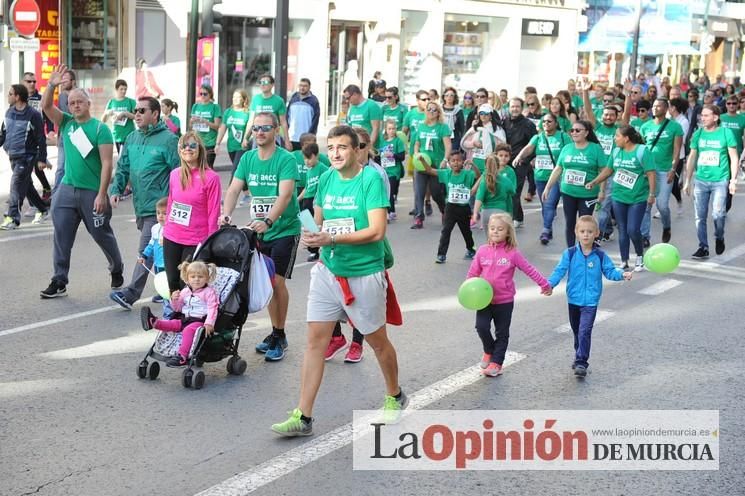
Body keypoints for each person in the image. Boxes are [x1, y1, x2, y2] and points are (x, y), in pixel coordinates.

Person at [270, 125, 407, 437]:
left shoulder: (370, 179)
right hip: (328, 270)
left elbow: (376, 231)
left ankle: (394, 395)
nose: (335, 153)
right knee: (315, 342)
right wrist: (311, 233)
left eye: (342, 147)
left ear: (357, 149)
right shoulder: (328, 177)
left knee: (377, 342)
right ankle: (303, 416)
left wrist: (331, 238)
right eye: (330, 147)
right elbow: (318, 220)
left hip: (364, 272)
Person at [39, 64, 124, 298]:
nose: (75, 105)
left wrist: (101, 194)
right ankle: (59, 279)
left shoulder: (100, 130)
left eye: (79, 102)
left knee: (101, 234)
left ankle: (116, 268)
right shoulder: (66, 123)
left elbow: (108, 163)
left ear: (88, 104)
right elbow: (46, 106)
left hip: (92, 192)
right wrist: (51, 85)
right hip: (67, 189)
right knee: (61, 236)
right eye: (72, 103)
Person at [222, 112, 301, 362]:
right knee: (266, 283)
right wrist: (226, 214)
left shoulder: (285, 159)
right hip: (259, 229)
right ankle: (276, 332)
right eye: (256, 128)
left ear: (276, 131)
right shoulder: (247, 158)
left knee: (277, 283)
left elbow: (285, 196)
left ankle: (279, 334)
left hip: (284, 229)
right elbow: (235, 188)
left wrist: (268, 221)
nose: (259, 132)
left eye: (265, 128)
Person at [109, 97, 180, 309]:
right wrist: (116, 190)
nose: (137, 114)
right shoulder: (131, 137)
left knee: (146, 248)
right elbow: (122, 167)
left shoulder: (169, 139)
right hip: (140, 205)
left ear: (155, 114)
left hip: (160, 208)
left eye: (142, 110)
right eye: (135, 110)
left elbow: (178, 173)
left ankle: (130, 294)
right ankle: (171, 287)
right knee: (162, 251)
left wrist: (174, 203)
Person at [467, 212, 552, 376]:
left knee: (502, 333)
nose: (495, 232)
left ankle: (497, 363)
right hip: (484, 301)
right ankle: (489, 350)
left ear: (507, 232)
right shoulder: (482, 251)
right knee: (481, 327)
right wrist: (468, 291)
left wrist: (544, 284)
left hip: (504, 301)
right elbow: (472, 274)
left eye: (500, 229)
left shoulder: (512, 253)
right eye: (492, 228)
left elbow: (529, 269)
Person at [547, 215, 632, 377]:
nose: (586, 235)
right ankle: (578, 351)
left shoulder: (600, 255)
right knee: (577, 330)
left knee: (585, 330)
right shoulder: (570, 254)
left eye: (589, 232)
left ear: (597, 233)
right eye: (582, 231)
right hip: (573, 299)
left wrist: (622, 274)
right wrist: (549, 284)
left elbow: (610, 271)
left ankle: (581, 362)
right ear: (576, 233)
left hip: (591, 301)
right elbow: (559, 270)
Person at [588, 125, 656, 271]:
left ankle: (639, 257)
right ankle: (624, 260)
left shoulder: (642, 151)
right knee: (623, 230)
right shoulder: (616, 151)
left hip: (638, 197)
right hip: (619, 196)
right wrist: (595, 181)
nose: (614, 138)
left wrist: (651, 194)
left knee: (633, 229)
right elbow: (608, 170)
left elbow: (651, 173)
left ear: (626, 138)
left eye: (617, 136)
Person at [162, 131, 222, 293]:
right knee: (173, 283)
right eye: (183, 145)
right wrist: (164, 229)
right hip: (172, 236)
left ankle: (190, 318)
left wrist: (209, 243)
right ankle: (175, 316)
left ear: (200, 149)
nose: (187, 149)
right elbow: (170, 203)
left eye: (192, 145)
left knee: (188, 287)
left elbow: (213, 212)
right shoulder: (175, 174)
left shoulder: (211, 178)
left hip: (196, 240)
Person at [684, 104, 739, 259]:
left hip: (720, 180)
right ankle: (703, 247)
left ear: (715, 117)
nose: (702, 118)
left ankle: (719, 236)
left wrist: (733, 180)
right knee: (700, 216)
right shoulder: (698, 134)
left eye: (706, 115)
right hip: (701, 181)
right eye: (702, 115)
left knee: (718, 214)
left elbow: (733, 158)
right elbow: (692, 157)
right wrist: (688, 180)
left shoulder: (726, 133)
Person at [140, 260, 219, 368]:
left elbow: (212, 308)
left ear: (207, 278)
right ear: (187, 278)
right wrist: (175, 299)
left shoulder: (209, 292)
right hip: (184, 318)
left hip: (199, 321)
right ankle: (153, 322)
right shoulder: (185, 291)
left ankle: (182, 356)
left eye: (200, 277)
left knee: (188, 330)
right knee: (171, 324)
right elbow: (177, 309)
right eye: (193, 277)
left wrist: (209, 323)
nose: (196, 279)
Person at [542, 120, 605, 247]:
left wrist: (601, 190)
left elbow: (603, 171)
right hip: (568, 192)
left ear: (586, 133)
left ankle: (584, 250)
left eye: (578, 130)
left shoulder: (595, 148)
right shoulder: (567, 148)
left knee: (585, 224)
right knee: (570, 222)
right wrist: (547, 187)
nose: (574, 133)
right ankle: (571, 251)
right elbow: (558, 168)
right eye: (572, 130)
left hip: (587, 193)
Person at [513, 112, 570, 244]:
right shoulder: (538, 137)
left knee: (549, 203)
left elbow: (569, 151)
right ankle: (548, 229)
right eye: (544, 122)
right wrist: (519, 157)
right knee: (545, 205)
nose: (546, 124)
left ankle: (545, 230)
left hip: (556, 177)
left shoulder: (563, 137)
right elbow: (528, 148)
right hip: (540, 176)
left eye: (549, 121)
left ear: (556, 123)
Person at [0, 84, 50, 230]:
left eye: (10, 94)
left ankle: (13, 217)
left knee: (16, 184)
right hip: (13, 156)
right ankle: (42, 209)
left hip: (27, 157)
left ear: (17, 97)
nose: (8, 96)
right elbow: (3, 135)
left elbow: (41, 138)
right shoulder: (8, 112)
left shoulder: (33, 114)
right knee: (27, 186)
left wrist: (42, 158)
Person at [639, 98, 683, 244]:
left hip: (665, 170)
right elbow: (642, 149)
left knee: (662, 205)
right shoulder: (645, 127)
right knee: (646, 204)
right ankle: (645, 236)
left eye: (659, 106)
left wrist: (673, 169)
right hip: (648, 171)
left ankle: (667, 226)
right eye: (654, 106)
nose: (655, 108)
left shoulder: (675, 127)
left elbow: (677, 150)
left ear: (666, 109)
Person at [419, 149, 476, 263]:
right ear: (449, 163)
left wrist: (473, 165)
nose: (456, 163)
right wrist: (422, 161)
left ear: (463, 162)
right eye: (453, 161)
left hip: (464, 208)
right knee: (446, 230)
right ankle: (441, 255)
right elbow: (429, 170)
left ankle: (471, 249)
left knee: (466, 231)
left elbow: (478, 177)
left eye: (458, 160)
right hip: (450, 207)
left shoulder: (467, 174)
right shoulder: (446, 173)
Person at [584, 81, 622, 242]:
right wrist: (585, 92)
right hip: (595, 169)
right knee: (598, 202)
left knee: (604, 203)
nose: (608, 117)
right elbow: (588, 111)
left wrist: (627, 98)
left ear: (616, 117)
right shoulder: (597, 127)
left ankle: (597, 235)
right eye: (606, 114)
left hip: (611, 171)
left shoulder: (619, 130)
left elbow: (626, 115)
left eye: (611, 115)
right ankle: (606, 228)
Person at [411, 100, 450, 229]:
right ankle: (419, 217)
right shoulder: (421, 126)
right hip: (421, 165)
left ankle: (444, 211)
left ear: (438, 113)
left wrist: (445, 160)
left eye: (434, 109)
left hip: (435, 166)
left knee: (436, 193)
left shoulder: (443, 127)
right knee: (419, 192)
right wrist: (416, 154)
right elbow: (417, 143)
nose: (431, 112)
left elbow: (448, 146)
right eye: (429, 109)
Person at [503, 97, 537, 227]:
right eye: (512, 106)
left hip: (520, 163)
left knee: (514, 191)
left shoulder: (528, 125)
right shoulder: (504, 122)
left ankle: (514, 219)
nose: (515, 109)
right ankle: (519, 217)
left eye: (517, 106)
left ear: (522, 108)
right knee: (507, 190)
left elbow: (534, 145)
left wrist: (525, 160)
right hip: (504, 162)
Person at [22, 72, 53, 199]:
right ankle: (22, 193)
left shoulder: (41, 98)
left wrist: (50, 130)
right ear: (23, 82)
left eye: (34, 81)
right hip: (22, 138)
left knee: (36, 165)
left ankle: (45, 189)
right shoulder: (19, 98)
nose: (32, 84)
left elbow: (49, 116)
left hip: (38, 137)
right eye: (29, 81)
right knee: (24, 169)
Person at [297, 142, 328, 262]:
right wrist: (298, 199)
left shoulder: (322, 168)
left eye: (309, 158)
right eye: (305, 159)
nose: (307, 161)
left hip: (316, 202)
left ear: (316, 156)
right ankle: (313, 250)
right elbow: (307, 187)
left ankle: (321, 249)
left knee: (317, 226)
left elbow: (327, 183)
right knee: (308, 228)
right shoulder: (309, 171)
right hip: (306, 201)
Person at [244, 74, 292, 151]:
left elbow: (283, 122)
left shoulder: (279, 101)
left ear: (272, 85)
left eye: (265, 82)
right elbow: (251, 121)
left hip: (273, 136)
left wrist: (287, 141)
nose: (263, 84)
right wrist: (245, 138)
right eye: (261, 82)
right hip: (258, 135)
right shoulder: (255, 99)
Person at [460, 103, 506, 177]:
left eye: (486, 114)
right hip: (474, 162)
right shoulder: (474, 128)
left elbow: (502, 146)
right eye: (481, 113)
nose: (483, 116)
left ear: (491, 115)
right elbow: (464, 143)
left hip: (489, 162)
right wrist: (473, 144)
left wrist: (489, 144)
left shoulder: (497, 130)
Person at [52, 68, 77, 192]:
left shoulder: (80, 94)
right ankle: (56, 193)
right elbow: (60, 118)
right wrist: (58, 137)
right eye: (62, 79)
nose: (63, 81)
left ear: (73, 81)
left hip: (77, 136)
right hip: (63, 136)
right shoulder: (61, 96)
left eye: (66, 79)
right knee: (60, 167)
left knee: (74, 165)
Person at [138, 197, 168, 302]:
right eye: (158, 213)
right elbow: (151, 244)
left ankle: (169, 295)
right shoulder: (155, 228)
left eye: (164, 213)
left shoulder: (172, 229)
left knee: (169, 279)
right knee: (160, 278)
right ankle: (162, 293)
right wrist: (144, 256)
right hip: (158, 262)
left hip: (168, 261)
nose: (160, 216)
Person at [376, 120, 406, 221]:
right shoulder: (382, 141)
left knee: (391, 191)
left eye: (393, 128)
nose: (391, 131)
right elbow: (378, 153)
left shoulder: (398, 141)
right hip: (384, 170)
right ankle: (390, 211)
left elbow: (402, 157)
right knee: (385, 191)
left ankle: (390, 211)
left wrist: (393, 155)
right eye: (389, 129)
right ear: (386, 130)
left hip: (394, 170)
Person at [216, 89, 250, 174]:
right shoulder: (228, 112)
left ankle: (232, 187)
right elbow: (223, 128)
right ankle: (245, 184)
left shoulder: (247, 113)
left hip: (242, 146)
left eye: (238, 97)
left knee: (235, 170)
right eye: (234, 97)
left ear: (243, 99)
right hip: (231, 146)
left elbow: (250, 129)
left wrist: (246, 139)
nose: (235, 99)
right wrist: (217, 144)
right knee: (240, 170)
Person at [190, 85, 222, 168]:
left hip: (210, 142)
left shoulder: (215, 107)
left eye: (205, 94)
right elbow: (191, 125)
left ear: (210, 94)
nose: (203, 96)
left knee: (207, 167)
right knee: (196, 167)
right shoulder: (195, 106)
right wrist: (192, 121)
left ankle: (210, 181)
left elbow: (217, 126)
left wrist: (205, 122)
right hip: (197, 141)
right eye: (201, 94)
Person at [102, 79, 136, 153]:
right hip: (117, 135)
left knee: (130, 158)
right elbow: (103, 120)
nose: (123, 91)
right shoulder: (111, 102)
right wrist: (106, 113)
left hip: (130, 135)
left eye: (125, 89)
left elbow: (137, 117)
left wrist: (126, 114)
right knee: (121, 159)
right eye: (121, 89)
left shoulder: (131, 101)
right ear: (116, 89)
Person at [669, 97, 690, 211]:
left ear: (674, 108)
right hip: (665, 156)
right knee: (663, 183)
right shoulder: (668, 119)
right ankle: (662, 207)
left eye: (669, 106)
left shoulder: (683, 121)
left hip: (678, 156)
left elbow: (682, 140)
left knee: (673, 184)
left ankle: (679, 200)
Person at [287, 78, 320, 150]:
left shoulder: (314, 101)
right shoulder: (293, 99)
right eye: (301, 85)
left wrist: (311, 135)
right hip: (292, 137)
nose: (302, 88)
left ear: (309, 87)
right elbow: (288, 117)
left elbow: (315, 120)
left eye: (305, 86)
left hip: (306, 139)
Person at [441, 87, 464, 152]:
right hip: (440, 137)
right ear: (444, 97)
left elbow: (462, 128)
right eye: (447, 95)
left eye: (451, 95)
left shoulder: (458, 110)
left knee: (452, 157)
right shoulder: (439, 108)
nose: (449, 97)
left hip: (454, 138)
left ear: (454, 98)